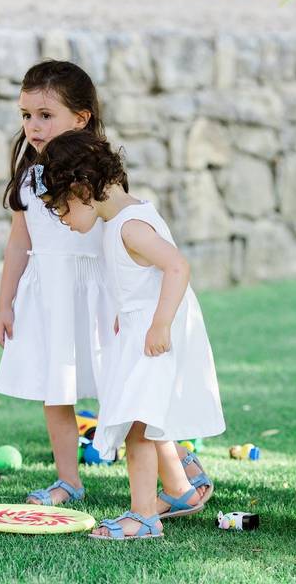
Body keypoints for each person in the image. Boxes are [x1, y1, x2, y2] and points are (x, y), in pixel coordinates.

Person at [36, 130, 225, 540]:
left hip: (156, 331)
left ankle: (143, 518)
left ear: (83, 189)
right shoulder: (118, 221)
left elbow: (177, 267)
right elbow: (142, 277)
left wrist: (158, 322)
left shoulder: (128, 226)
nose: (63, 221)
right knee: (146, 417)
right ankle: (177, 489)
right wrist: (129, 313)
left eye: (61, 208)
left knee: (139, 423)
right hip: (141, 325)